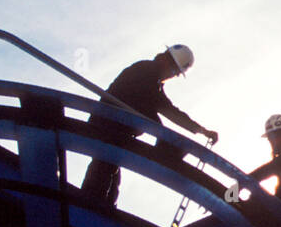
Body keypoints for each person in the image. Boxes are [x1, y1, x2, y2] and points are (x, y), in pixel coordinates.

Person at [80, 44, 221, 207]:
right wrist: (170, 142)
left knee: (107, 171)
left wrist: (200, 130)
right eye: (175, 72)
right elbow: (157, 107)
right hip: (109, 126)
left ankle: (97, 208)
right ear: (168, 63)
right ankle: (89, 207)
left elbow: (165, 108)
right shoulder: (145, 72)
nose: (173, 76)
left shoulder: (150, 77)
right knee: (103, 170)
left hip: (114, 129)